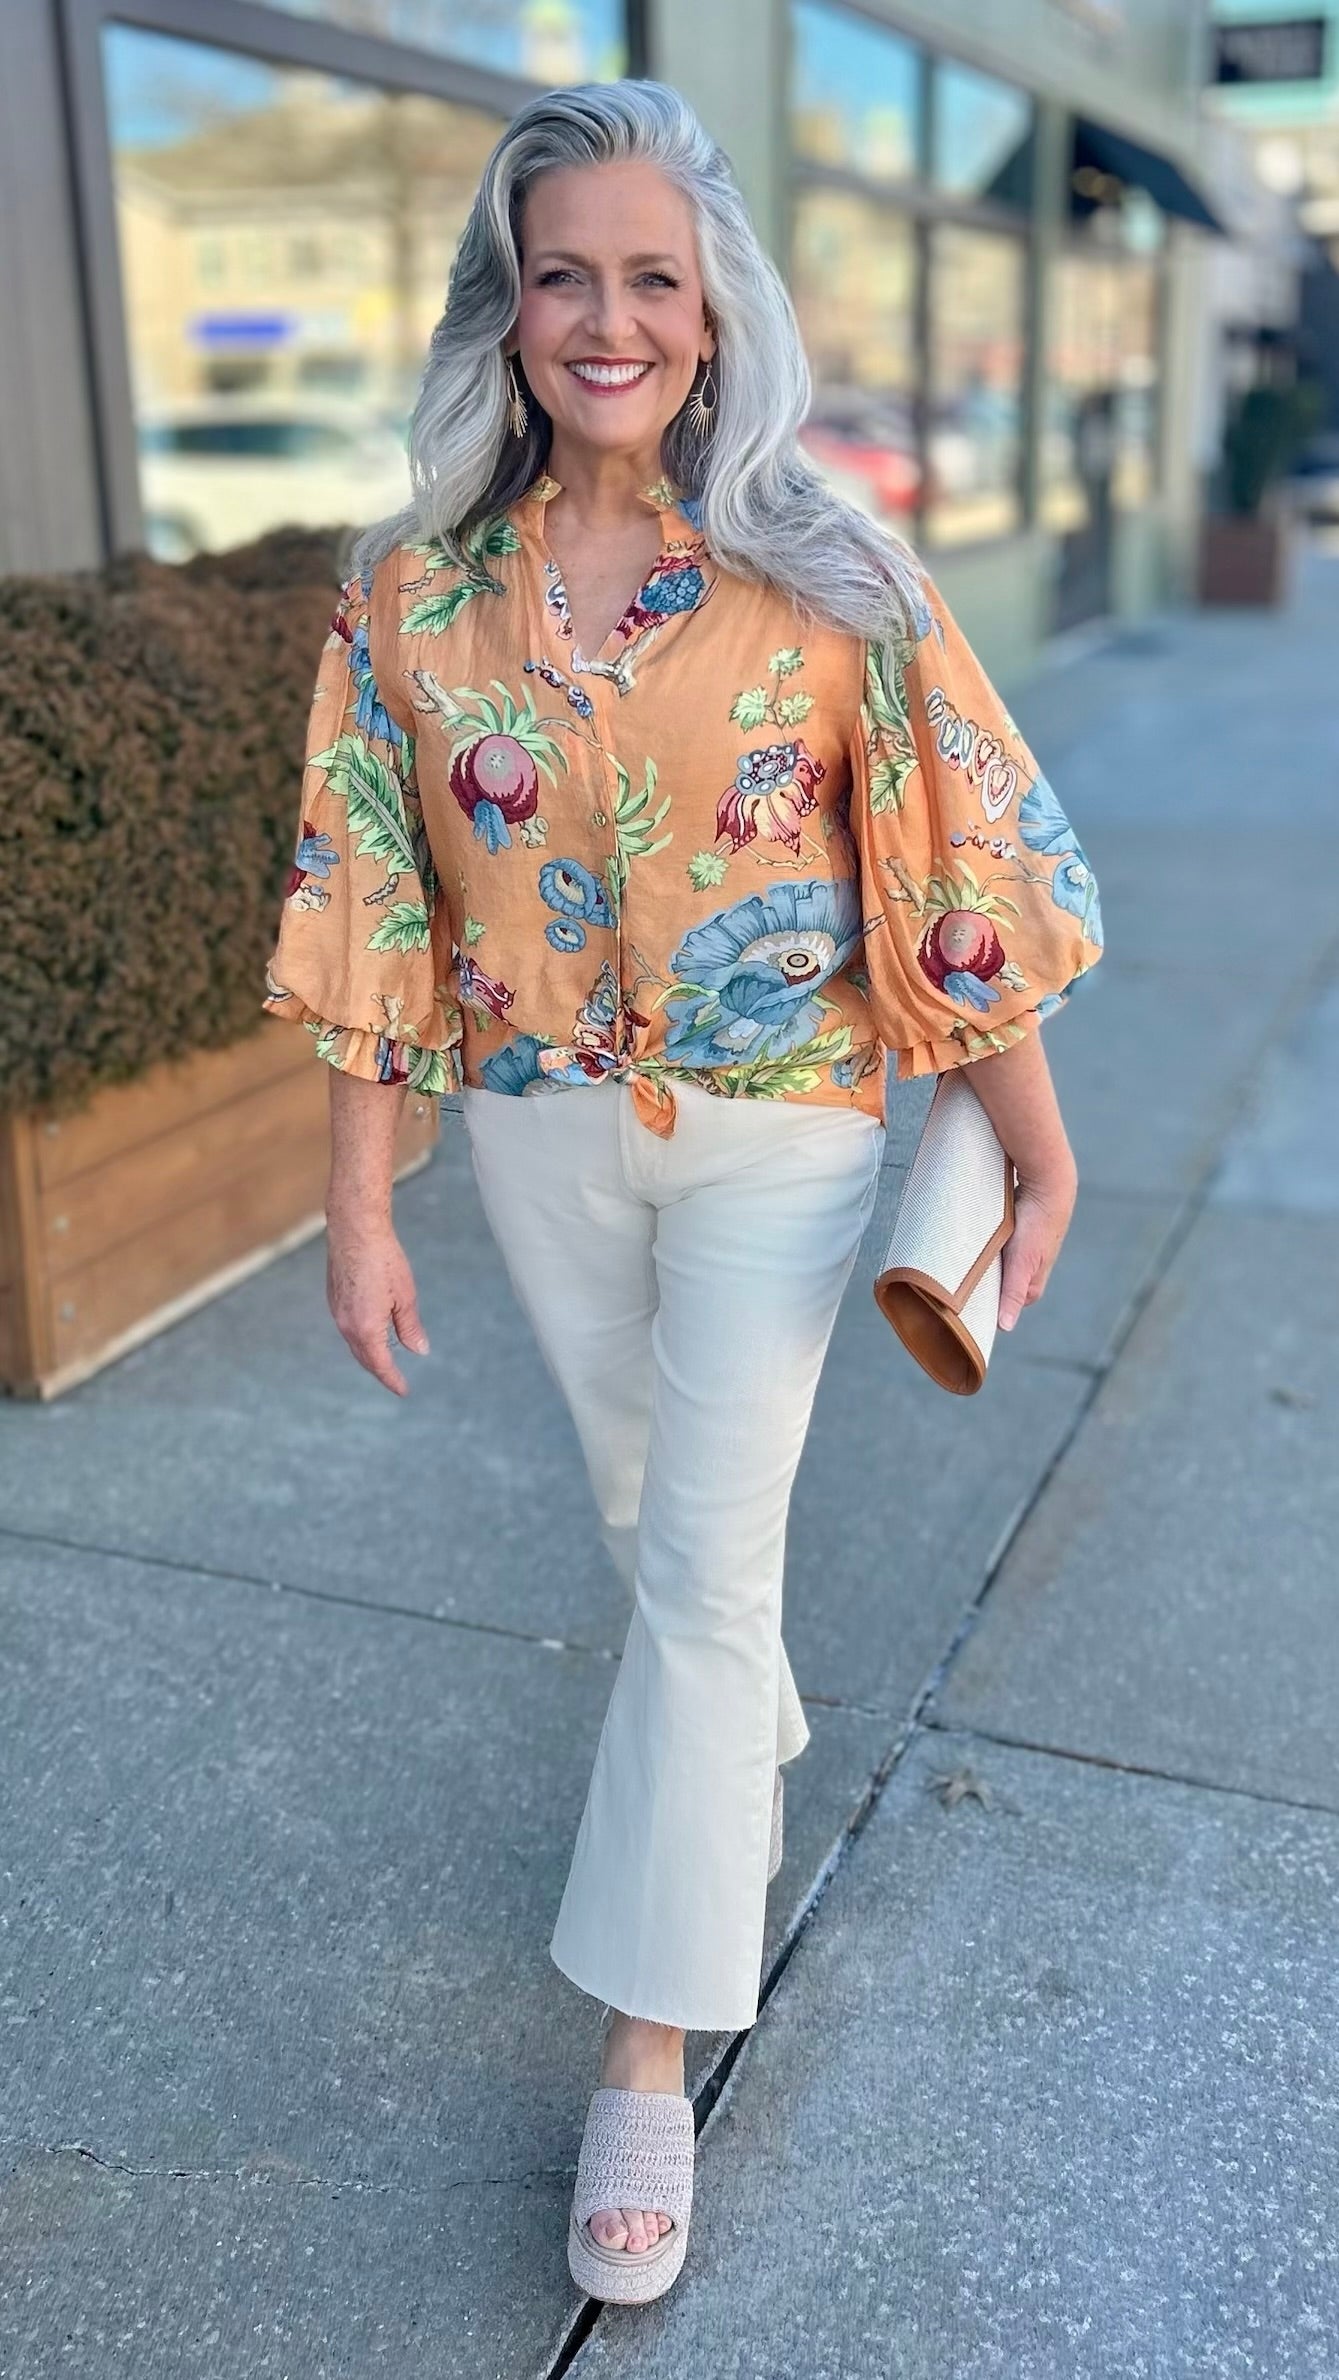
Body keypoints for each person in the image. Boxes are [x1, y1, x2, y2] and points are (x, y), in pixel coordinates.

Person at [262, 78, 1103, 2306]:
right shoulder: (409, 594)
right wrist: (362, 1203)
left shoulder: (830, 575)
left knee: (710, 1571)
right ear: (508, 307)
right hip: (539, 1129)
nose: (609, 320)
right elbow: (371, 907)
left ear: (716, 310)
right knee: (655, 1525)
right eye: (566, 275)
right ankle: (732, 1742)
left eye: (653, 276)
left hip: (788, 1130)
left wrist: (1032, 1145)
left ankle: (647, 2050)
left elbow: (951, 887)